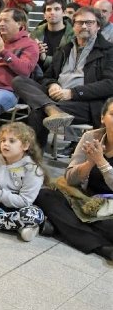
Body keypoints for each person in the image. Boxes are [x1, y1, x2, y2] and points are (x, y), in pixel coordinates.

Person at [14, 6, 113, 150]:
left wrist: (72, 92)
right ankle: (51, 109)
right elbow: (47, 77)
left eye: (89, 22)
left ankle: (33, 162)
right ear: (73, 26)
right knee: (19, 80)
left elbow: (110, 84)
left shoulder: (108, 51)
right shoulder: (65, 49)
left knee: (38, 112)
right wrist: (52, 85)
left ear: (98, 26)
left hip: (87, 103)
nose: (84, 26)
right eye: (79, 23)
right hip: (56, 96)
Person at [33, 98, 113, 260]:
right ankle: (102, 247)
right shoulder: (91, 137)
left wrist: (102, 162)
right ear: (103, 118)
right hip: (84, 199)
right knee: (45, 195)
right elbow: (70, 179)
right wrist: (89, 163)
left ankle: (62, 227)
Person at [30, 0, 74, 73]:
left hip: (62, 76)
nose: (52, 12)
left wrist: (45, 58)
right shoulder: (35, 34)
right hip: (37, 75)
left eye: (57, 9)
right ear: (44, 14)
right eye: (49, 10)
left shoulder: (73, 35)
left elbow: (68, 63)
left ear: (64, 13)